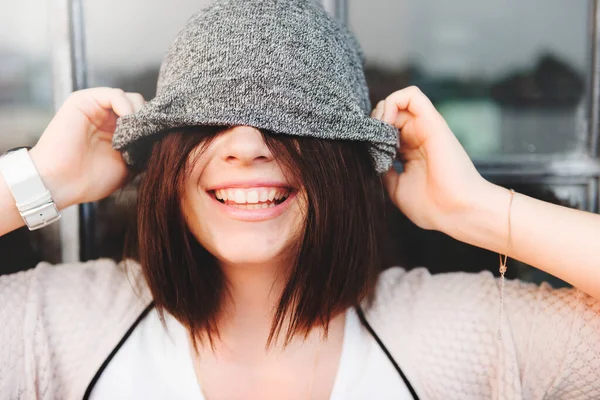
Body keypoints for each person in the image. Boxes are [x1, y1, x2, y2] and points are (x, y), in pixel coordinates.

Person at [1, 1, 600, 399]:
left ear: (340, 157)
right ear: (166, 158)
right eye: (209, 123)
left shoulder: (456, 335)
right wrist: (40, 183)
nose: (246, 147)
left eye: (290, 122)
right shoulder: (64, 326)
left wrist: (475, 210)